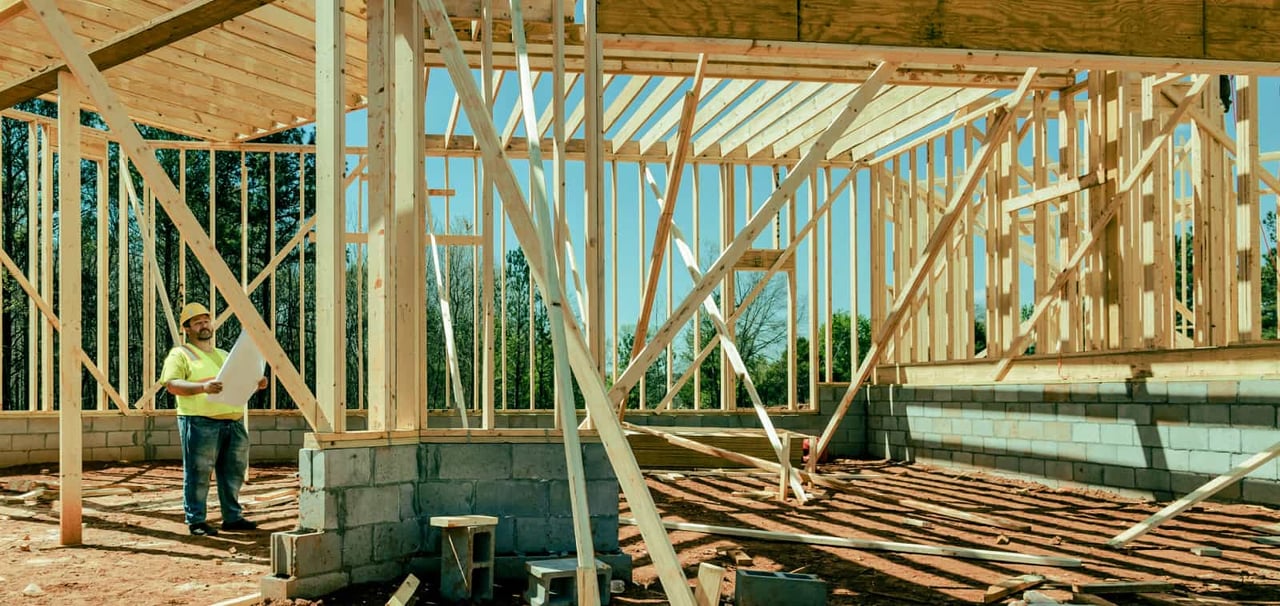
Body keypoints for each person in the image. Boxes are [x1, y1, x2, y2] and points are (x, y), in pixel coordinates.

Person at [161, 302, 267, 536]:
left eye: (206, 320)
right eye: (197, 322)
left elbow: (240, 377)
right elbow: (172, 385)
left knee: (233, 472)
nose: (204, 325)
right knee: (198, 472)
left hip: (233, 422)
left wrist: (256, 383)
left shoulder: (224, 355)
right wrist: (202, 387)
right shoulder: (180, 354)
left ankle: (232, 517)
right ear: (187, 329)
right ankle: (196, 520)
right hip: (200, 421)